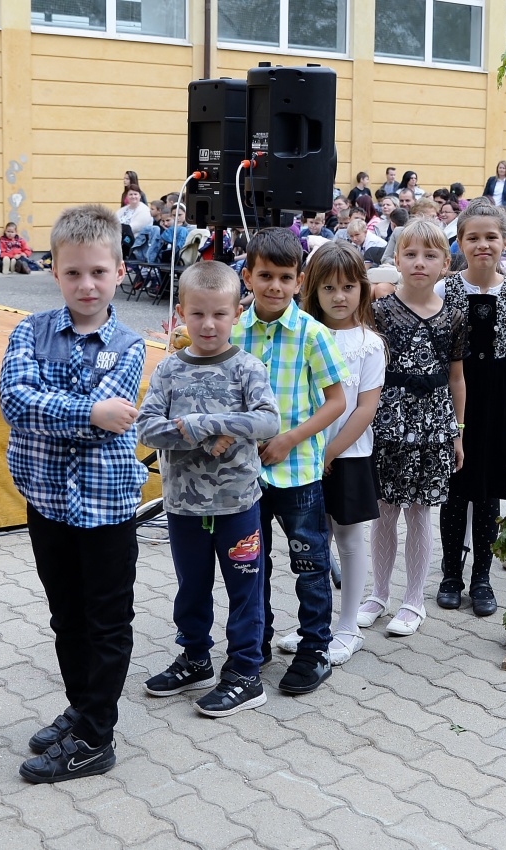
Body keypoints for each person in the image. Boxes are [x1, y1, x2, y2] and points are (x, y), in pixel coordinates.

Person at [0, 204, 147, 783]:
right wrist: (89, 410)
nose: (87, 285)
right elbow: (14, 403)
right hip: (48, 504)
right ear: (54, 272)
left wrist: (57, 410)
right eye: (74, 273)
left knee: (106, 621)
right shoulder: (28, 331)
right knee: (66, 618)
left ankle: (96, 737)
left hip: (106, 507)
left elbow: (108, 415)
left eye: (98, 273)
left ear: (119, 272)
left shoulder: (129, 346)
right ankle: (82, 707)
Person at [138, 262, 280, 717]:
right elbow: (147, 429)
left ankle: (244, 673)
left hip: (238, 505)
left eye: (219, 314)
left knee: (245, 592)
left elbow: (268, 421)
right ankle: (196, 658)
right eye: (197, 314)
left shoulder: (246, 368)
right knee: (191, 589)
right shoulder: (168, 371)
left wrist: (206, 422)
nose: (208, 324)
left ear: (236, 312)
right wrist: (198, 434)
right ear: (181, 312)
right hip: (182, 507)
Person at [233, 228, 348, 695]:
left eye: (285, 277)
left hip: (297, 472)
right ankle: (253, 645)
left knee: (310, 564)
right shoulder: (234, 331)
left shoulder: (311, 335)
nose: (275, 287)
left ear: (299, 281)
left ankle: (314, 649)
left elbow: (337, 401)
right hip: (245, 476)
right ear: (247, 277)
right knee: (249, 564)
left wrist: (291, 439)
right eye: (265, 276)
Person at [275, 243, 385, 657]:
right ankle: (314, 624)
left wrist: (330, 452)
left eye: (348, 287)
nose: (339, 297)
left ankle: (348, 625)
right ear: (312, 291)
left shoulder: (368, 343)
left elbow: (365, 408)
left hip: (349, 455)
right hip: (303, 454)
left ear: (363, 289)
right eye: (329, 288)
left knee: (349, 538)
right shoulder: (302, 333)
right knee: (310, 541)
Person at [359, 220, 465, 635]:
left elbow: (456, 377)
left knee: (420, 514)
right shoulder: (379, 311)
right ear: (397, 260)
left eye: (430, 255)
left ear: (444, 264)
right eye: (411, 254)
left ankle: (414, 600)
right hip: (388, 421)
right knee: (383, 512)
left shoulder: (454, 317)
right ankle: (378, 593)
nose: (420, 263)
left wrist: (458, 430)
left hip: (434, 425)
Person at [435, 199, 506, 617]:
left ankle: (482, 576)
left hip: (499, 395)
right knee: (455, 489)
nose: (482, 245)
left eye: (491, 237)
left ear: (505, 240)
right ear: (459, 242)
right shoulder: (444, 290)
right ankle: (450, 573)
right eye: (472, 238)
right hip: (454, 393)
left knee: (490, 490)